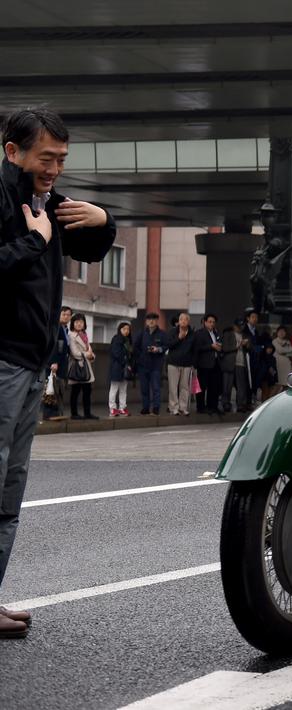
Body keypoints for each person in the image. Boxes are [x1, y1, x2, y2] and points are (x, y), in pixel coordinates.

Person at [0, 107, 116, 637]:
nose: (54, 168)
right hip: (2, 359)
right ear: (13, 152)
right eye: (46, 158)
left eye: (61, 160)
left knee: (10, 490)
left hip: (29, 361)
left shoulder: (47, 202)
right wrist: (36, 240)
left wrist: (103, 222)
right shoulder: (7, 199)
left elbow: (89, 246)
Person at [131, 312, 166, 415]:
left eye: (154, 319)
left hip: (156, 366)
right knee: (144, 389)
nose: (151, 321)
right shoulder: (141, 333)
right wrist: (141, 356)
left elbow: (166, 346)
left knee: (156, 388)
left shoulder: (162, 334)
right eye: (149, 319)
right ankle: (145, 408)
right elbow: (135, 347)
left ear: (157, 321)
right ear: (146, 321)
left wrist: (158, 349)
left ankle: (156, 408)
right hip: (143, 366)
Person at [66, 314, 99, 420]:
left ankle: (87, 413)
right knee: (75, 391)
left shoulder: (84, 335)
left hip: (85, 367)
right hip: (77, 366)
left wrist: (91, 356)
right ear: (72, 324)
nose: (79, 324)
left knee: (87, 391)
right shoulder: (71, 335)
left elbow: (90, 350)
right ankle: (74, 413)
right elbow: (75, 353)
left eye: (81, 322)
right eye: (76, 322)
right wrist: (87, 355)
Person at [43, 306, 72, 421]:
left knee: (57, 388)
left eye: (69, 314)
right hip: (54, 364)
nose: (66, 316)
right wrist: (53, 362)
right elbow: (53, 346)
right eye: (64, 314)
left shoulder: (65, 329)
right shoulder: (55, 327)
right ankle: (49, 413)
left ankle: (55, 412)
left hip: (62, 364)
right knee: (51, 388)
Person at [191, 314, 224, 415]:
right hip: (203, 364)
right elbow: (197, 348)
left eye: (213, 322)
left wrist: (219, 347)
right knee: (202, 386)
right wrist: (211, 346)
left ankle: (212, 406)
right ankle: (200, 407)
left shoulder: (216, 333)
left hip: (215, 363)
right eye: (210, 322)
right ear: (204, 322)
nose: (212, 324)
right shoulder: (199, 333)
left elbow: (218, 345)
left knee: (214, 386)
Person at [165, 312, 194, 416]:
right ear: (179, 321)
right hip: (173, 363)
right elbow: (168, 344)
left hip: (186, 364)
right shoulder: (173, 331)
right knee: (173, 387)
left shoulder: (192, 333)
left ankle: (183, 407)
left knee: (185, 387)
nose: (183, 321)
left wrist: (193, 363)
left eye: (185, 319)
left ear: (188, 321)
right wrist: (179, 338)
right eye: (181, 319)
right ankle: (174, 407)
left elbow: (194, 349)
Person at [243, 310, 271, 407]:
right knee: (247, 381)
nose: (255, 319)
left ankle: (252, 400)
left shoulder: (256, 331)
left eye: (256, 317)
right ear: (248, 318)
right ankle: (246, 402)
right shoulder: (244, 330)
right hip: (247, 359)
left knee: (255, 380)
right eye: (253, 317)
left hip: (256, 360)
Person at [220, 319, 249, 413]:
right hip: (229, 363)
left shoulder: (245, 335)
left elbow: (250, 348)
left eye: (242, 326)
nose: (240, 328)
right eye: (239, 326)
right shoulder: (228, 334)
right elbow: (224, 348)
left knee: (241, 386)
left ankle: (241, 404)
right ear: (234, 326)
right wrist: (238, 345)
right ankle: (226, 404)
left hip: (241, 363)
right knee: (227, 385)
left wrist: (246, 345)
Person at [107, 321, 133, 417]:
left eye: (128, 329)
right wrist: (125, 361)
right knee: (114, 388)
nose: (126, 331)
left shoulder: (128, 341)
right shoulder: (117, 339)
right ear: (120, 330)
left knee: (123, 389)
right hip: (117, 368)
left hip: (124, 369)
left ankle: (122, 408)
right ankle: (112, 408)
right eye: (124, 329)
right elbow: (116, 353)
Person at [270, 325, 292, 392]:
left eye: (283, 331)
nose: (281, 333)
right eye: (280, 331)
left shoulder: (287, 342)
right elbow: (280, 350)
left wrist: (285, 353)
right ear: (277, 332)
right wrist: (287, 351)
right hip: (278, 365)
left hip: (287, 366)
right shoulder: (274, 341)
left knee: (286, 385)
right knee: (277, 384)